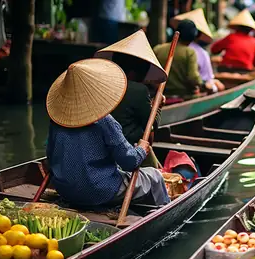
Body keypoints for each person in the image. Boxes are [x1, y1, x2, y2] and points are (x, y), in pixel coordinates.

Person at [46, 58, 170, 208]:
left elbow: (51, 157)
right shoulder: (104, 120)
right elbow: (129, 161)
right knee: (154, 176)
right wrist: (142, 149)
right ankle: (164, 212)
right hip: (100, 190)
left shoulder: (57, 120)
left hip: (65, 189)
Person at [95, 30, 169, 168]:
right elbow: (151, 126)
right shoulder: (138, 90)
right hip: (125, 150)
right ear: (135, 71)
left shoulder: (102, 82)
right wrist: (158, 107)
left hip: (99, 146)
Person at [171, 9, 225, 93]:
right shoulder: (197, 52)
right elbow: (198, 78)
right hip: (188, 91)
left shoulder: (162, 48)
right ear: (197, 34)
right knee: (218, 86)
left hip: (168, 89)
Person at [154, 20, 203, 99]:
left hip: (161, 95)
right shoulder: (189, 52)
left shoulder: (158, 49)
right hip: (184, 96)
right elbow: (193, 77)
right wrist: (202, 84)